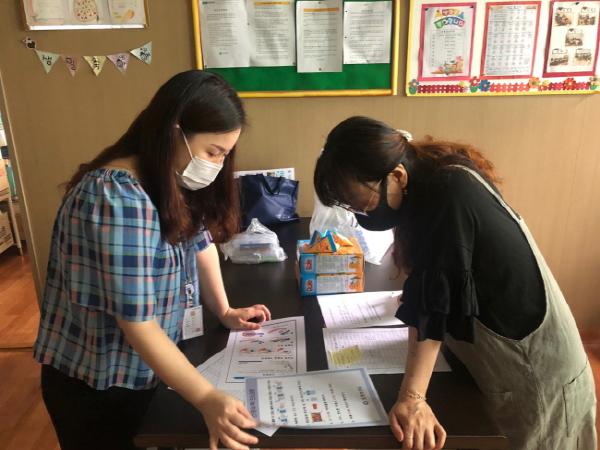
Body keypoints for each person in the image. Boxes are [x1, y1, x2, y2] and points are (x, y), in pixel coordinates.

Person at [313, 116, 597, 450]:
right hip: (496, 361)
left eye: (364, 203)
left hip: (538, 374)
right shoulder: (427, 182)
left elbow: (436, 302)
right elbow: (439, 271)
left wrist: (413, 399)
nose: (362, 214)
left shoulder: (449, 192)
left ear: (397, 176)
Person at [34, 70, 272, 450]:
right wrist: (206, 397)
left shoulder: (168, 178)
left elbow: (201, 245)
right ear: (174, 132)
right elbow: (138, 324)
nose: (216, 164)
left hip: (144, 372)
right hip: (101, 387)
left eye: (224, 155)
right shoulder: (117, 197)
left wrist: (225, 311)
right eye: (213, 152)